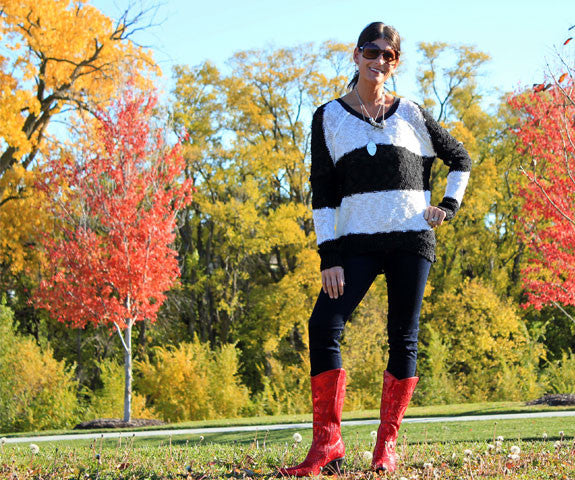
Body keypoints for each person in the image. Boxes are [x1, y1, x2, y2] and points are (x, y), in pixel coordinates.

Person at [277, 22, 471, 477]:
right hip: (355, 244)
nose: (378, 60)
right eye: (372, 51)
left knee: (403, 337)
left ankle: (386, 448)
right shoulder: (327, 117)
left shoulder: (413, 114)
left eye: (388, 55)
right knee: (324, 324)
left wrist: (448, 205)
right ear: (356, 54)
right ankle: (327, 445)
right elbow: (322, 191)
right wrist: (329, 255)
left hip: (411, 239)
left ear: (395, 63)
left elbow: (460, 159)